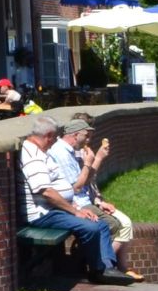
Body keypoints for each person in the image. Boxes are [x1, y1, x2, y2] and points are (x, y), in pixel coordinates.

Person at [19, 116, 133, 284]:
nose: (54, 142)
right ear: (49, 135)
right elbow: (47, 192)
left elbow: (58, 190)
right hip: (42, 214)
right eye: (54, 138)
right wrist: (76, 211)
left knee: (100, 224)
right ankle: (97, 269)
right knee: (91, 227)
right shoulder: (33, 156)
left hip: (54, 209)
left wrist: (76, 207)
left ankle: (106, 268)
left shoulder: (42, 152)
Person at [52, 116, 138, 279]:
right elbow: (77, 187)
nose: (88, 140)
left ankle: (100, 265)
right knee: (110, 224)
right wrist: (90, 161)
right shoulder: (63, 153)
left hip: (85, 200)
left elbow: (86, 182)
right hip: (74, 203)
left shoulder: (70, 151)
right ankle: (96, 265)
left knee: (114, 223)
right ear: (75, 135)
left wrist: (98, 200)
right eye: (86, 135)